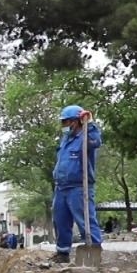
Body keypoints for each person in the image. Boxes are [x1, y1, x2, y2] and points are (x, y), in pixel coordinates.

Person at [51, 104, 103, 263]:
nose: (65, 126)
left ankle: (94, 251)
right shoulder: (66, 140)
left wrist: (90, 123)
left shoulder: (86, 137)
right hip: (61, 187)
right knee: (60, 220)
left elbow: (96, 141)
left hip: (79, 187)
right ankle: (62, 253)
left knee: (85, 220)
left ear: (77, 121)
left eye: (67, 122)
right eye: (63, 123)